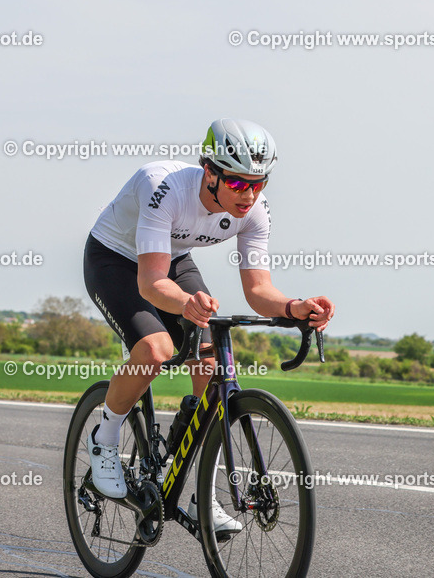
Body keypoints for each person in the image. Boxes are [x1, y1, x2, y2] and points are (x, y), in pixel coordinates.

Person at [83, 118, 334, 533]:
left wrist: (295, 307)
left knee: (210, 364)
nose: (248, 194)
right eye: (237, 183)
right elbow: (149, 283)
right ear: (210, 173)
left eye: (258, 183)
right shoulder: (164, 187)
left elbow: (258, 289)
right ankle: (104, 438)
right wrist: (186, 303)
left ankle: (204, 495)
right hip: (115, 259)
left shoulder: (254, 212)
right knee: (155, 349)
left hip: (171, 260)